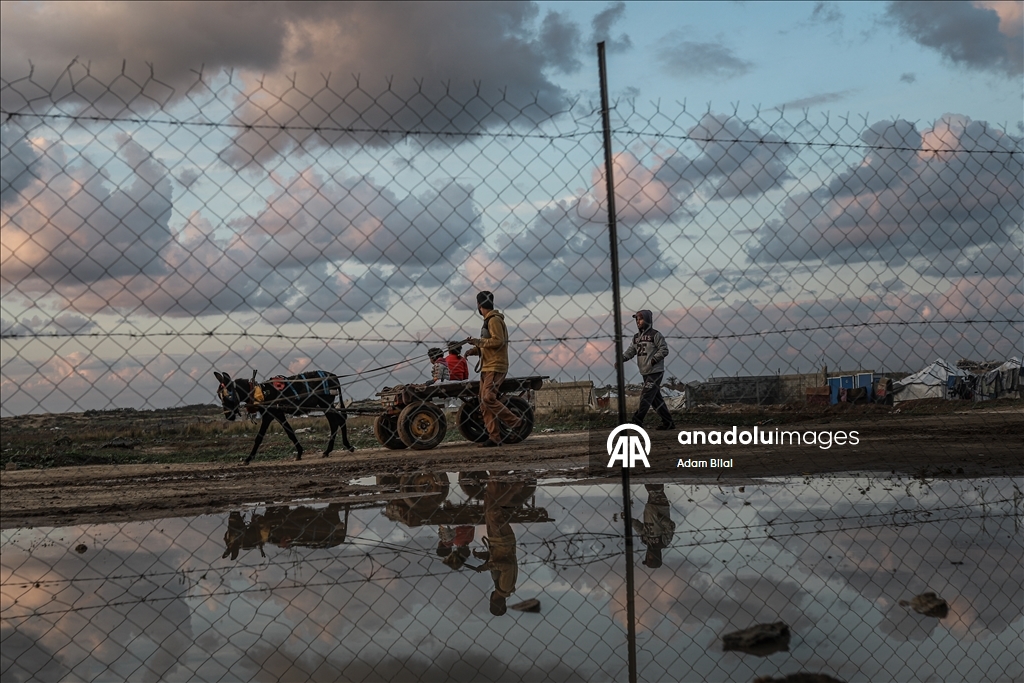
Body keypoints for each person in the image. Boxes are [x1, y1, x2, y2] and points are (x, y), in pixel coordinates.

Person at [465, 291, 521, 447]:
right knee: (484, 403)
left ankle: (514, 421)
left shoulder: (494, 320)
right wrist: (474, 350)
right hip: (487, 366)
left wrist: (478, 341)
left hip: (496, 366)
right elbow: (488, 345)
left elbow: (498, 341)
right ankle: (494, 437)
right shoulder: (488, 321)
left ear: (479, 305)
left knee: (489, 398)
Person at [617, 309, 676, 430]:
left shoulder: (655, 335)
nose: (638, 321)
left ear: (648, 320)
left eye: (641, 318)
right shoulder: (636, 338)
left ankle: (637, 421)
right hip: (645, 372)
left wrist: (654, 359)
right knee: (655, 399)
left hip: (655, 372)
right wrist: (621, 359)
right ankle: (668, 423)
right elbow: (631, 351)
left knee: (645, 396)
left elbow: (664, 350)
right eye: (637, 319)